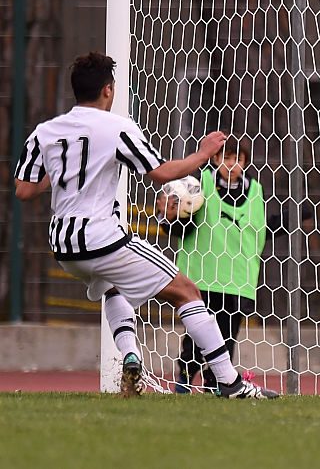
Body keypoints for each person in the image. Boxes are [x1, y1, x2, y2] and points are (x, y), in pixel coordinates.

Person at [13, 52, 277, 399]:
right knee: (187, 291)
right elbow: (162, 173)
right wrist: (203, 153)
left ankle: (131, 357)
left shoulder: (45, 132)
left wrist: (66, 170)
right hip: (101, 239)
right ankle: (230, 382)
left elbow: (24, 190)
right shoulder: (117, 127)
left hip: (63, 246)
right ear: (108, 90)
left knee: (112, 287)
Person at [156, 136, 267, 393]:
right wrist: (167, 219)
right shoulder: (199, 187)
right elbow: (183, 227)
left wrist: (297, 215)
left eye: (237, 159)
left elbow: (261, 229)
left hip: (237, 279)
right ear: (215, 160)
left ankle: (217, 382)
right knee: (198, 333)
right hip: (202, 276)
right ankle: (185, 377)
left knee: (228, 335)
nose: (232, 164)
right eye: (226, 158)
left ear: (245, 162)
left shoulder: (256, 191)